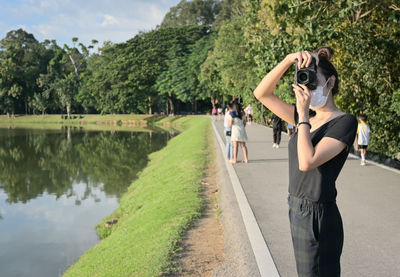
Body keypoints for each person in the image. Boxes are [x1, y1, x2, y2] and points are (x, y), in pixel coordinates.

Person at [254, 47, 357, 277]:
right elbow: (262, 94)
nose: (307, 87)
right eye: (303, 77)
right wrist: (288, 59)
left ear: (330, 83)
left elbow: (307, 161)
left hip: (319, 214)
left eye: (312, 79)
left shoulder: (344, 122)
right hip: (297, 207)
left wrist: (301, 116)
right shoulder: (307, 118)